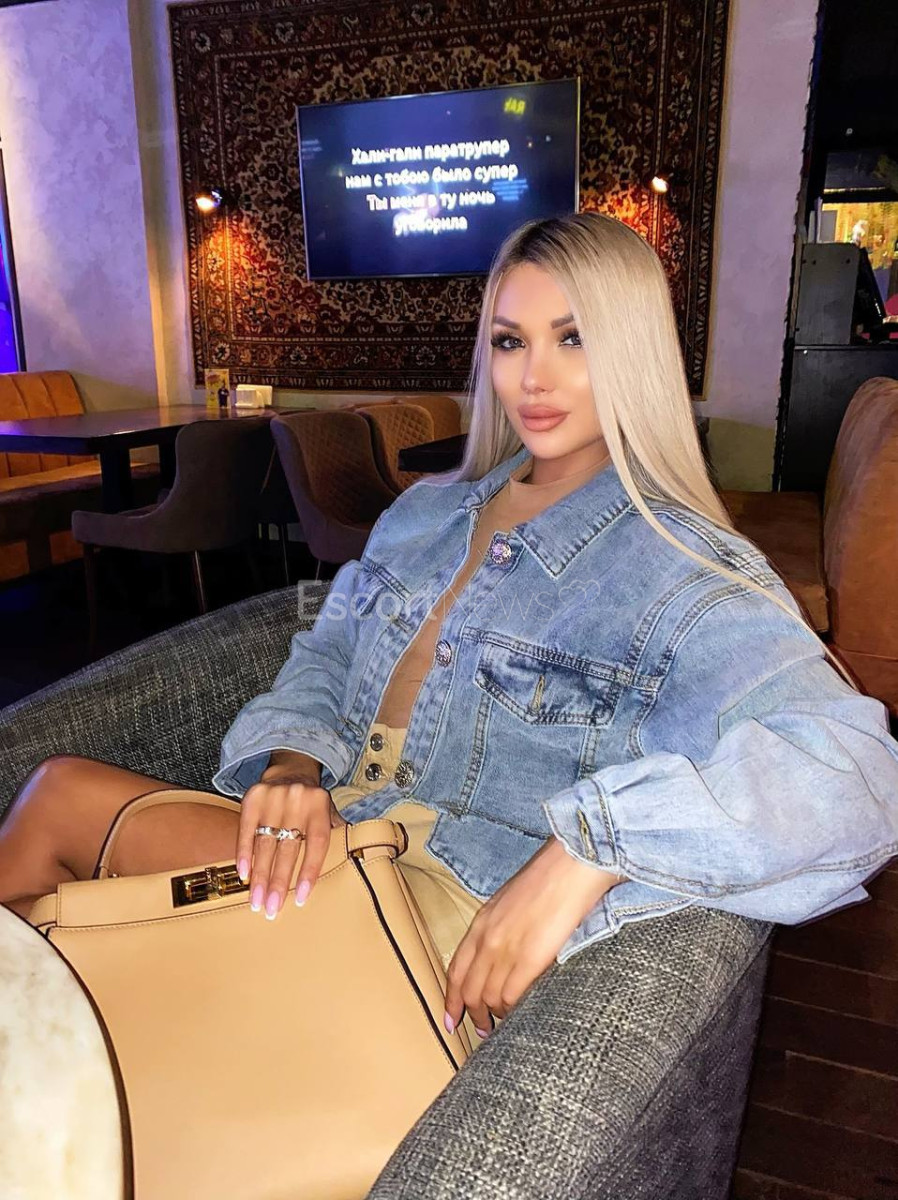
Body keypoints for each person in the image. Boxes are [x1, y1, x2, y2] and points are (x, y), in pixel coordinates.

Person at [2, 212, 898, 1054]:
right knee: (57, 830)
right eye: (510, 341)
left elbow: (859, 773)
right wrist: (293, 764)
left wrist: (587, 851)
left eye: (573, 338)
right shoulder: (425, 514)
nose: (532, 378)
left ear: (635, 349)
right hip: (332, 850)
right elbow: (326, 650)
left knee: (68, 855)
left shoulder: (678, 569)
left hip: (432, 907)